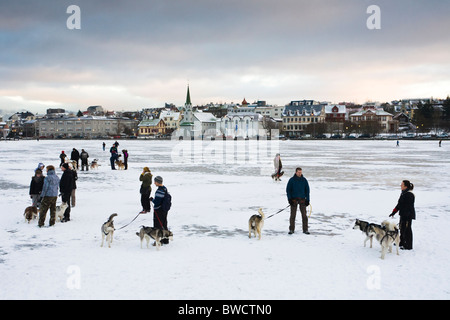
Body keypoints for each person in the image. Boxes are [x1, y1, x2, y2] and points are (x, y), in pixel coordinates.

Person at [389, 180, 415, 250]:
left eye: (402, 184)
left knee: (407, 229)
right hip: (403, 214)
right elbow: (399, 204)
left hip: (407, 215)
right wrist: (394, 212)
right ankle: (402, 242)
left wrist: (406, 216)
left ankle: (408, 245)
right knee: (402, 228)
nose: (400, 185)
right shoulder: (403, 193)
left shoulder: (409, 194)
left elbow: (408, 207)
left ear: (405, 186)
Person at [286, 167, 310, 235]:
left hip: (302, 200)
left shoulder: (304, 180)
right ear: (296, 172)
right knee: (292, 215)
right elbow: (288, 190)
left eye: (301, 172)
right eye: (299, 172)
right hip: (294, 200)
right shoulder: (291, 180)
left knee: (304, 216)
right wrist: (289, 199)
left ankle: (305, 229)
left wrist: (307, 200)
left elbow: (307, 191)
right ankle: (291, 229)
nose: (300, 174)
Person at [151, 176, 170, 244]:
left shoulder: (160, 190)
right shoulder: (164, 188)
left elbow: (157, 202)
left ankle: (159, 241)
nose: (154, 183)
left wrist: (152, 200)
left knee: (157, 226)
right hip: (164, 210)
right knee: (164, 224)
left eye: (155, 182)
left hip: (159, 210)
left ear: (157, 182)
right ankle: (165, 239)